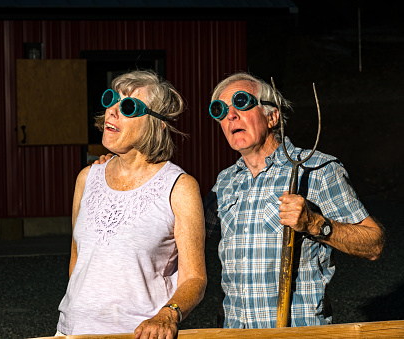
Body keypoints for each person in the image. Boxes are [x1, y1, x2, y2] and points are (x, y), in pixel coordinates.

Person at [204, 71, 385, 328]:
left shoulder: (317, 170)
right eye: (219, 110)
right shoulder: (225, 182)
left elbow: (374, 243)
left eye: (242, 102)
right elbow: (191, 238)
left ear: (272, 116)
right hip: (235, 332)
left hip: (297, 332)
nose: (230, 115)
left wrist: (314, 224)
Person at [55, 70, 207, 338]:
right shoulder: (87, 178)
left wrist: (167, 314)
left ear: (157, 123)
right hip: (72, 331)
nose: (112, 111)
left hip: (138, 333)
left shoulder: (179, 187)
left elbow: (194, 278)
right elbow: (78, 258)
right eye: (111, 99)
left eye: (127, 106)